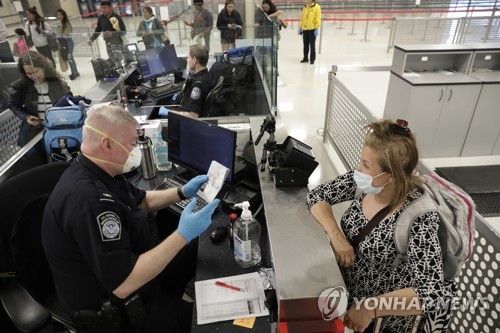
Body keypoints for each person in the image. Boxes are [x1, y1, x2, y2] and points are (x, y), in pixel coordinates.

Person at [42, 105, 220, 332]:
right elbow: (123, 284)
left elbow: (142, 200)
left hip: (137, 268)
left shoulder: (100, 170)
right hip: (120, 310)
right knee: (207, 324)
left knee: (197, 246)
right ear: (107, 144)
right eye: (131, 145)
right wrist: (181, 234)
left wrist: (182, 191)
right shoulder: (90, 202)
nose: (134, 150)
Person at [306, 119, 454, 332]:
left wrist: (370, 309)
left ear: (392, 175)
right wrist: (337, 238)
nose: (358, 169)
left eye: (366, 165)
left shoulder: (418, 217)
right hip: (350, 301)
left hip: (384, 323)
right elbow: (317, 197)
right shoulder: (366, 182)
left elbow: (430, 294)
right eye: (361, 161)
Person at [7, 51, 70, 147]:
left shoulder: (58, 84)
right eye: (28, 73)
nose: (33, 76)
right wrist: (26, 116)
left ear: (44, 68)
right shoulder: (21, 86)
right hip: (35, 131)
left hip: (58, 128)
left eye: (36, 71)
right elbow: (12, 103)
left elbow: (69, 102)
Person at [159, 44, 213, 119]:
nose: (187, 60)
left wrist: (168, 112)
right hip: (183, 108)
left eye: (188, 58)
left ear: (194, 60)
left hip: (184, 119)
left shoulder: (198, 86)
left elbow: (193, 116)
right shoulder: (206, 75)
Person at [56, 9, 80, 80]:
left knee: (69, 58)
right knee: (70, 58)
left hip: (68, 43)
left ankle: (74, 73)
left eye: (61, 14)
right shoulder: (59, 24)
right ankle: (75, 72)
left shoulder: (67, 24)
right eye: (58, 15)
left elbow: (67, 35)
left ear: (64, 15)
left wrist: (61, 35)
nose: (59, 16)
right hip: (63, 43)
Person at [299, 0, 321, 65]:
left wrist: (317, 28)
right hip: (305, 29)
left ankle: (312, 59)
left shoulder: (317, 7)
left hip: (312, 29)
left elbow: (318, 18)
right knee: (305, 44)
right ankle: (305, 58)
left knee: (312, 45)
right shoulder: (305, 7)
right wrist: (301, 27)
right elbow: (302, 17)